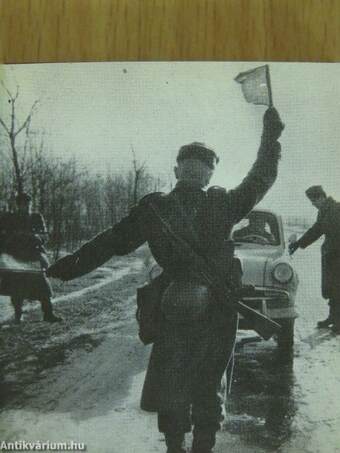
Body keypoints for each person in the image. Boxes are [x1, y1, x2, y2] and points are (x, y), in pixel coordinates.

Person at [47, 107, 284, 453]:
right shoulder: (224, 203)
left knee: (172, 378)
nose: (195, 170)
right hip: (217, 308)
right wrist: (271, 138)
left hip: (173, 304)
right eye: (200, 167)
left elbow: (109, 242)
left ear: (179, 171)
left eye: (193, 166)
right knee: (208, 381)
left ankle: (175, 446)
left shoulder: (154, 209)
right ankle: (203, 446)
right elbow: (261, 177)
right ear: (207, 175)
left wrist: (64, 268)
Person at [0, 192, 61, 323]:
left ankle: (48, 314)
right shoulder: (10, 219)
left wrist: (36, 237)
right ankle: (17, 315)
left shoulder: (36, 217)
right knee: (16, 286)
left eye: (28, 204)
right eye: (23, 204)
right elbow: (4, 236)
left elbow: (44, 236)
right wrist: (15, 237)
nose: (26, 206)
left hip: (33, 255)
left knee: (42, 284)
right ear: (18, 205)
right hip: (16, 256)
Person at [289, 186, 340, 334]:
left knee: (338, 287)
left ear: (321, 197)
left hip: (337, 255)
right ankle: (332, 317)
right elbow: (316, 230)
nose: (313, 204)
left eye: (313, 200)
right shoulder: (324, 212)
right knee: (331, 287)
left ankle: (338, 321)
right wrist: (298, 244)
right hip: (331, 255)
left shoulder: (337, 209)